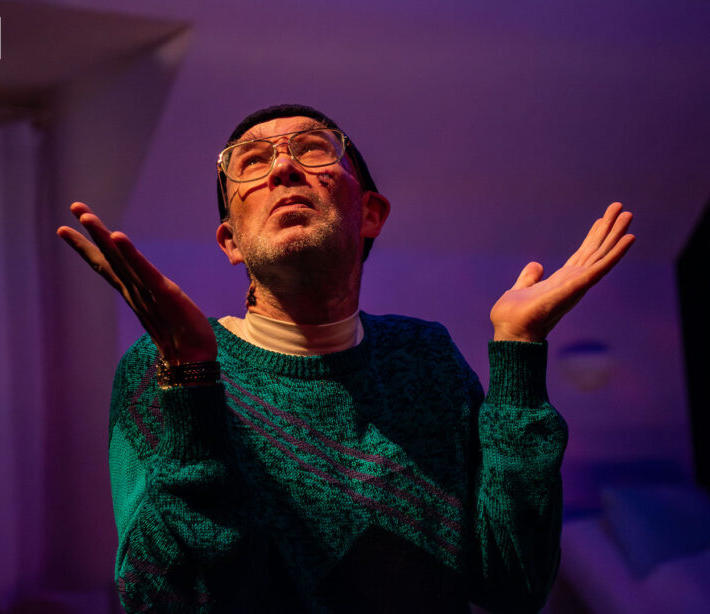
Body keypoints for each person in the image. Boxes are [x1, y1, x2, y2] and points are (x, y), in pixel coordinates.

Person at [57, 104, 635, 613]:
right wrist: (189, 376)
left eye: (312, 149)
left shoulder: (426, 356)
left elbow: (514, 584)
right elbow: (168, 602)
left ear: (372, 212)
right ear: (230, 240)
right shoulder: (163, 367)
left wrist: (519, 351)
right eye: (252, 162)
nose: (283, 168)